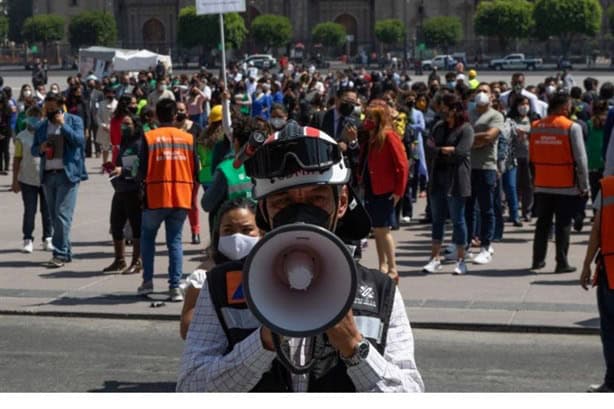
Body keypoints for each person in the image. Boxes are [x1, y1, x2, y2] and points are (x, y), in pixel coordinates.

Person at [177, 123, 424, 393]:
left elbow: (409, 392)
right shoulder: (220, 288)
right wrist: (262, 343)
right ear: (264, 210)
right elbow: (190, 388)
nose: (299, 215)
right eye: (283, 203)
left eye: (316, 199)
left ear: (341, 203)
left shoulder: (379, 291)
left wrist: (354, 346)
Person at [137, 98, 198, 302]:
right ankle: (174, 287)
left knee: (148, 238)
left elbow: (142, 170)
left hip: (155, 197)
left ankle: (147, 282)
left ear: (155, 116)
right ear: (175, 116)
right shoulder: (188, 139)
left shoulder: (149, 137)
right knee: (175, 242)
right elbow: (196, 170)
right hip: (181, 196)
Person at [180, 197, 262, 340]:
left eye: (246, 230)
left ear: (261, 232)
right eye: (228, 230)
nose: (237, 237)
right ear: (218, 234)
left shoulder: (274, 272)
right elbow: (187, 330)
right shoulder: (203, 277)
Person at [529, 91, 589, 273]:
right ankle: (561, 263)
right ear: (564, 107)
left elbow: (531, 157)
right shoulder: (572, 127)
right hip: (566, 183)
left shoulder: (536, 126)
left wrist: (534, 180)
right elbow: (580, 159)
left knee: (542, 224)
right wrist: (584, 185)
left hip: (543, 182)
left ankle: (537, 261)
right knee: (563, 224)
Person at [31, 93, 88, 268]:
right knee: (55, 216)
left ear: (61, 106)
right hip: (48, 175)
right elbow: (33, 150)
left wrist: (63, 126)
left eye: (52, 108)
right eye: (46, 108)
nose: (49, 111)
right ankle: (66, 251)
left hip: (67, 174)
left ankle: (60, 254)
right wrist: (40, 148)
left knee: (63, 214)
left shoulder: (74, 121)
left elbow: (80, 141)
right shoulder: (42, 126)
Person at [356, 101, 409, 282]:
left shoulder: (389, 136)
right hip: (372, 186)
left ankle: (393, 267)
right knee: (377, 229)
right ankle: (382, 265)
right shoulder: (370, 137)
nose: (367, 120)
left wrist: (398, 191)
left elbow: (402, 165)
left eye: (371, 118)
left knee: (384, 229)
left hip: (385, 189)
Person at [423, 93, 474, 275]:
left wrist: (444, 150)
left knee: (458, 220)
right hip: (438, 179)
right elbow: (429, 149)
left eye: (444, 106)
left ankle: (461, 259)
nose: (441, 110)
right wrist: (444, 150)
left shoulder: (466, 129)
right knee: (437, 220)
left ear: (453, 109)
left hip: (456, 181)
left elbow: (461, 152)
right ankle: (434, 258)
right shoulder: (438, 126)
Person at [580, 175, 614, 393]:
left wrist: (586, 265)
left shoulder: (609, 188)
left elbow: (597, 231)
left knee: (610, 330)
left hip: (611, 271)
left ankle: (611, 382)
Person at [467, 85, 504, 265]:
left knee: (486, 208)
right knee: (468, 208)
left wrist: (468, 140)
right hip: (468, 167)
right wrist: (474, 140)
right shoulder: (469, 114)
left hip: (486, 167)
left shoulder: (496, 116)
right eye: (478, 91)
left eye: (485, 91)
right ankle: (465, 244)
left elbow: (490, 137)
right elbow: (460, 137)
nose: (481, 93)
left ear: (491, 96)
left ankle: (486, 246)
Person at [103, 113, 144, 275]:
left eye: (127, 124)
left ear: (136, 125)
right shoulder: (124, 143)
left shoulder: (140, 144)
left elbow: (140, 168)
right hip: (120, 189)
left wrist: (124, 170)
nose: (123, 127)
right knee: (115, 224)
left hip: (134, 190)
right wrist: (113, 168)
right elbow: (120, 164)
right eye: (122, 124)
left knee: (136, 227)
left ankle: (137, 260)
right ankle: (119, 260)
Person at [11, 106, 53, 253]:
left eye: (38, 116)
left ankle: (48, 238)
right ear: (27, 118)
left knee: (47, 211)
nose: (36, 119)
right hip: (27, 179)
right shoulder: (21, 137)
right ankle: (27, 239)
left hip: (46, 178)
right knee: (30, 210)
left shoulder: (47, 135)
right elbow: (17, 159)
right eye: (33, 116)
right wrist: (14, 181)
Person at [176, 101, 203, 245]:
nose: (179, 112)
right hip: (175, 170)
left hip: (192, 170)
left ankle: (195, 231)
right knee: (177, 204)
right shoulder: (171, 128)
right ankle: (176, 232)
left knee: (192, 202)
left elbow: (202, 149)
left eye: (182, 109)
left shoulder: (196, 128)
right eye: (177, 110)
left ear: (187, 111)